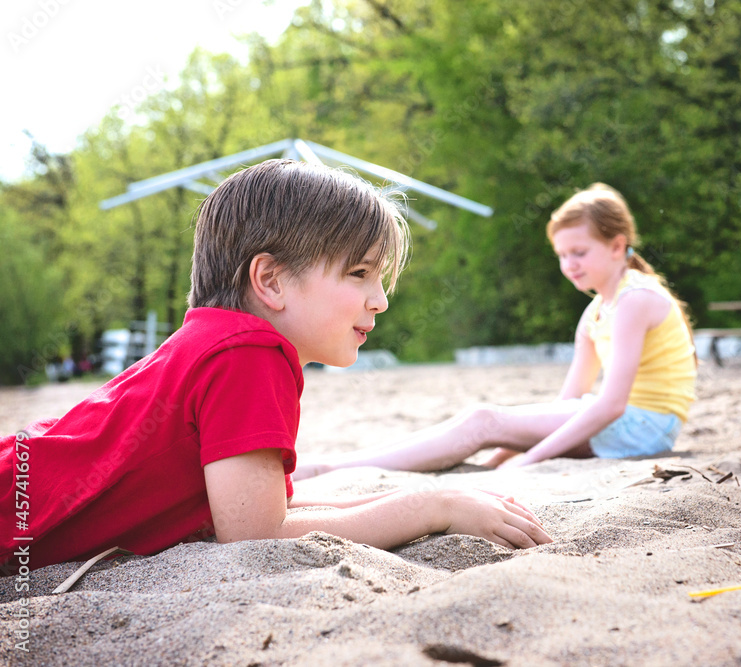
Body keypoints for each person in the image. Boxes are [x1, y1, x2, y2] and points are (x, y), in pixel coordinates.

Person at [0, 160, 550, 572]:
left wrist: (424, 501)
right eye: (359, 273)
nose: (380, 299)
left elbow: (259, 508)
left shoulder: (216, 342)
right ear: (270, 281)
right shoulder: (247, 353)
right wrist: (432, 507)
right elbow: (257, 534)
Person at [295, 183, 696, 477]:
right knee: (484, 423)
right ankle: (337, 465)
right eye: (562, 255)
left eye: (579, 252)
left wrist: (532, 458)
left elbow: (611, 405)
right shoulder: (597, 312)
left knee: (483, 421)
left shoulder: (634, 300)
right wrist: (503, 454)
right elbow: (567, 401)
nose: (569, 264)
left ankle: (329, 467)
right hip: (630, 426)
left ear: (616, 246)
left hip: (645, 429)